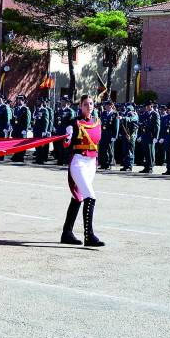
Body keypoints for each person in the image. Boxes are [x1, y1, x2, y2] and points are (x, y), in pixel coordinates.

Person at [60, 94, 104, 247]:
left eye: (91, 103)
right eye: (85, 104)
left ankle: (67, 233)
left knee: (78, 197)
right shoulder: (74, 123)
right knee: (90, 196)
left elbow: (98, 142)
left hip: (91, 162)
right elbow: (67, 143)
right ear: (80, 106)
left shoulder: (97, 122)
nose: (89, 106)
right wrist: (68, 137)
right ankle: (89, 236)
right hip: (78, 162)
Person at [138, 100, 160, 174]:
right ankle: (146, 167)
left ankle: (150, 167)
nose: (146, 108)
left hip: (151, 136)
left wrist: (155, 137)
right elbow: (142, 125)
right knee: (146, 152)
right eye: (146, 106)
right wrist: (140, 135)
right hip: (145, 135)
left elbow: (157, 126)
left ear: (151, 106)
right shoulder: (145, 114)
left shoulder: (155, 114)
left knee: (150, 152)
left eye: (147, 106)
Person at [98, 100, 119, 170]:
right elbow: (100, 123)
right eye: (106, 105)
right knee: (103, 149)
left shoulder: (114, 114)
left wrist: (114, 136)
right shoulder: (103, 113)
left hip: (110, 134)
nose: (106, 106)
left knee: (110, 150)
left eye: (108, 105)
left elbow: (116, 126)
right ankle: (103, 164)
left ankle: (109, 163)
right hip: (103, 134)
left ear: (111, 106)